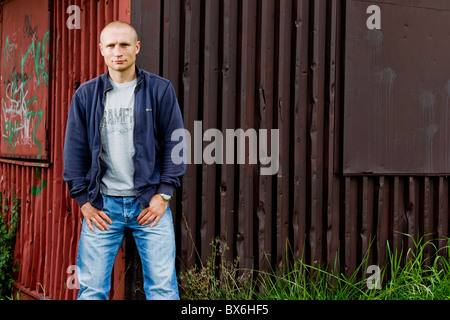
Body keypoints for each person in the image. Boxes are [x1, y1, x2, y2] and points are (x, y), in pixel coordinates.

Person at [63, 21, 186, 300]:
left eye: (124, 44)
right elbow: (74, 152)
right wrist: (83, 202)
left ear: (137, 47)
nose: (118, 51)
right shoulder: (86, 95)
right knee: (92, 290)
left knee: (163, 289)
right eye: (111, 45)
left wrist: (163, 195)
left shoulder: (160, 90)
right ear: (101, 50)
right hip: (102, 206)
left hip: (148, 205)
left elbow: (175, 144)